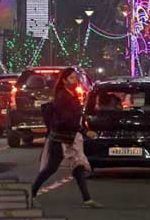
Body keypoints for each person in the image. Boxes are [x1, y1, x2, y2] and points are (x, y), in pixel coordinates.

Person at [31, 68, 102, 209]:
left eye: (76, 78)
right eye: (71, 78)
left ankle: (87, 200)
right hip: (60, 139)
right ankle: (31, 193)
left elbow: (73, 118)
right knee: (51, 168)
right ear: (64, 81)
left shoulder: (71, 95)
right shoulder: (63, 97)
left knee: (78, 168)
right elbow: (66, 120)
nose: (75, 81)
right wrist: (84, 131)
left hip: (69, 138)